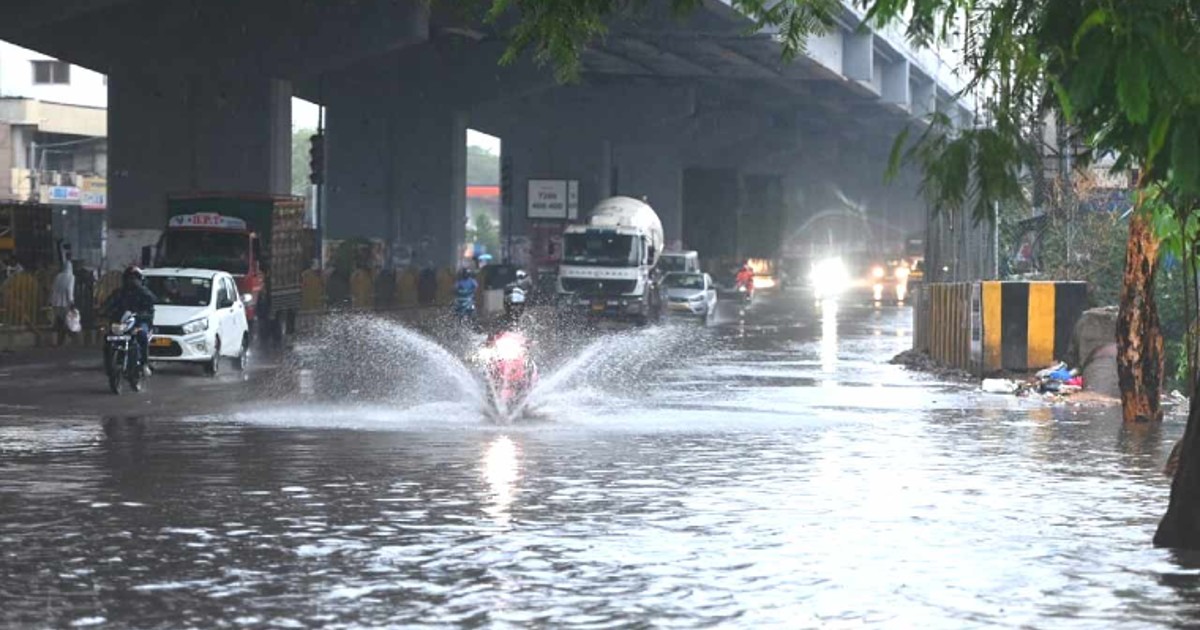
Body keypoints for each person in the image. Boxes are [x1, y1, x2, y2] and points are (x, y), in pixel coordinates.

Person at [102, 266, 159, 373]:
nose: (132, 281)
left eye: (135, 278)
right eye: (129, 278)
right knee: (108, 337)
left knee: (142, 335)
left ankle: (144, 363)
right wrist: (103, 312)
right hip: (121, 323)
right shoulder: (119, 293)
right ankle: (109, 364)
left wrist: (142, 315)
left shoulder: (145, 293)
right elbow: (108, 304)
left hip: (139, 323)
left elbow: (151, 307)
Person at [50, 260, 76, 346]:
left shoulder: (58, 276)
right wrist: (71, 301)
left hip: (56, 303)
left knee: (58, 321)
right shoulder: (71, 277)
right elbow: (69, 290)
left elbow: (53, 289)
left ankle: (57, 341)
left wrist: (51, 300)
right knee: (66, 322)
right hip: (65, 303)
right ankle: (68, 339)